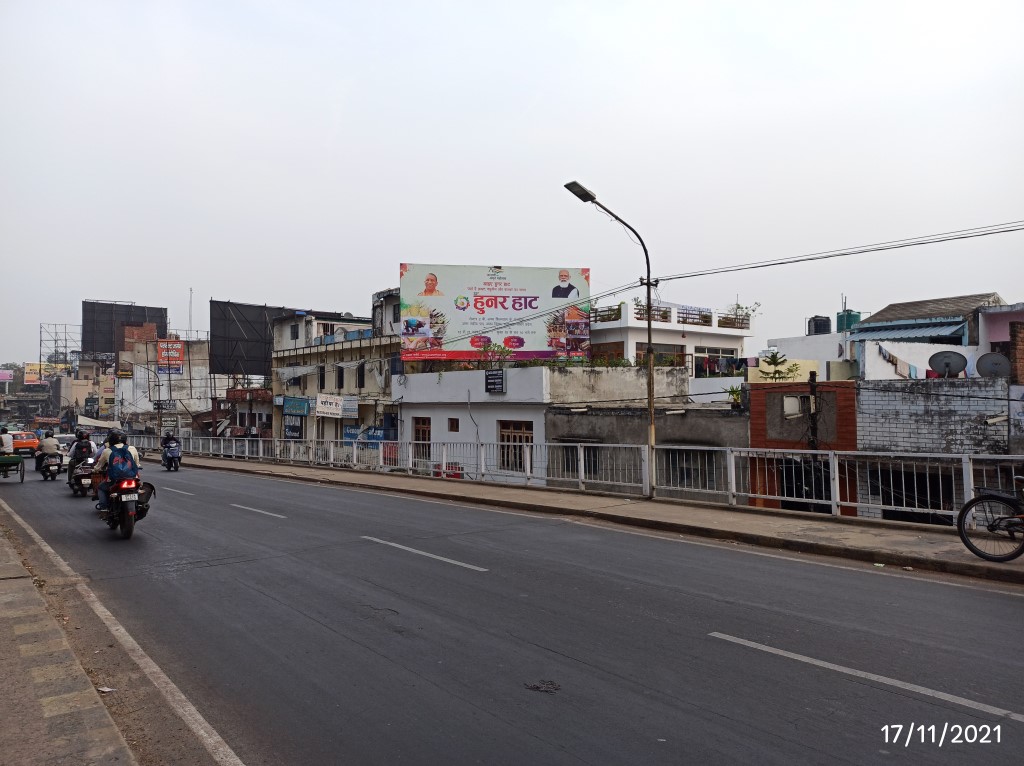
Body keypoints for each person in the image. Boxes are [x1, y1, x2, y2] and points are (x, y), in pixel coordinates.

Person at [94, 429, 142, 511]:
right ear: (125, 439)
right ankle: (140, 504)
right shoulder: (132, 448)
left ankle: (104, 508)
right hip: (132, 477)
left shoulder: (107, 451)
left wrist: (95, 469)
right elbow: (137, 464)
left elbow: (99, 466)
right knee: (139, 488)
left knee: (101, 488)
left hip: (114, 479)